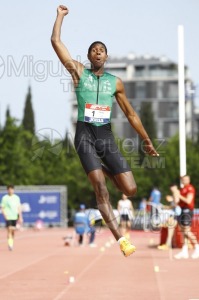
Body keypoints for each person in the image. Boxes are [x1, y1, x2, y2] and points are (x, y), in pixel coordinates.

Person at [51, 5, 159, 257]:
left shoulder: (115, 83)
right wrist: (59, 16)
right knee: (99, 186)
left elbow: (131, 114)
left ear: (106, 57)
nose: (98, 53)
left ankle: (103, 171)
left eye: (102, 50)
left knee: (130, 189)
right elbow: (55, 41)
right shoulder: (78, 72)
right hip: (85, 135)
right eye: (93, 50)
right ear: (89, 56)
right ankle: (121, 240)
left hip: (106, 136)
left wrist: (146, 140)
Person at [173, 175, 199, 259]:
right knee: (183, 231)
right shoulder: (181, 189)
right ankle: (185, 250)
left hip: (187, 210)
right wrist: (175, 194)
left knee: (187, 230)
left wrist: (179, 195)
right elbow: (177, 202)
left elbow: (188, 200)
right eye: (183, 179)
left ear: (189, 180)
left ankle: (197, 247)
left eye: (186, 179)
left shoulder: (190, 188)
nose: (184, 181)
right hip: (182, 210)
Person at [0, 185, 23, 251]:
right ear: (7, 190)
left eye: (11, 189)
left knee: (13, 231)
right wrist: (5, 215)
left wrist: (20, 217)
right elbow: (2, 207)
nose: (10, 191)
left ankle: (11, 241)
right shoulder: (5, 198)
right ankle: (10, 244)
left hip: (14, 216)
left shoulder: (16, 198)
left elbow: (19, 207)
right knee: (9, 229)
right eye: (9, 189)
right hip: (8, 216)